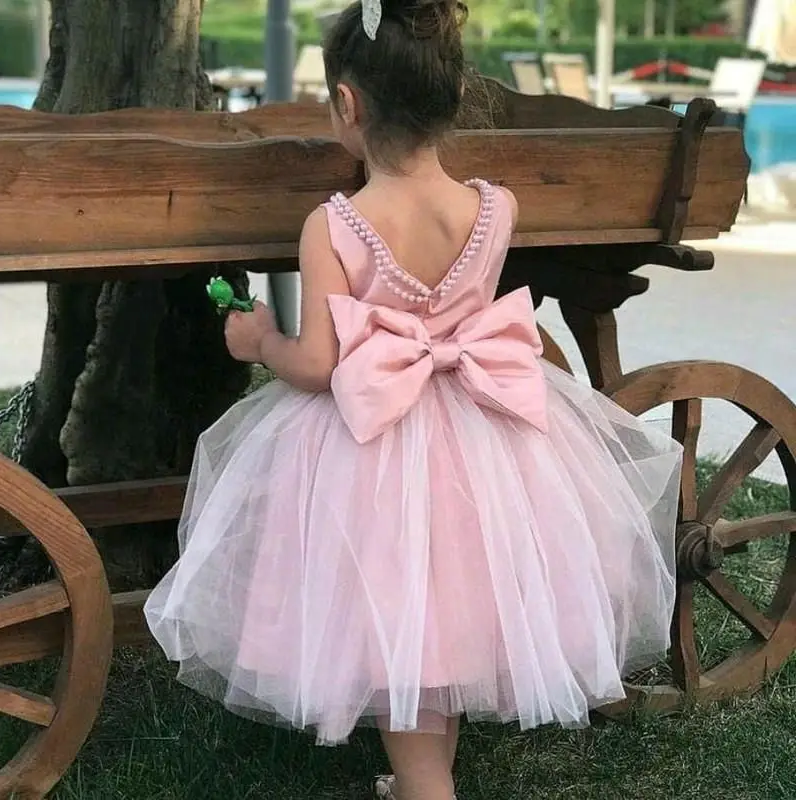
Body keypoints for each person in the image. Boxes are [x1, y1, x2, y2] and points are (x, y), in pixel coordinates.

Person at [144, 1, 683, 797]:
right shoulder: (496, 208)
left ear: (349, 106)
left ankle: (428, 788)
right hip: (481, 433)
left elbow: (322, 365)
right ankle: (423, 776)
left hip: (377, 435)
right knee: (452, 608)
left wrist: (259, 341)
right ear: (452, 95)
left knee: (401, 612)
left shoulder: (335, 225)